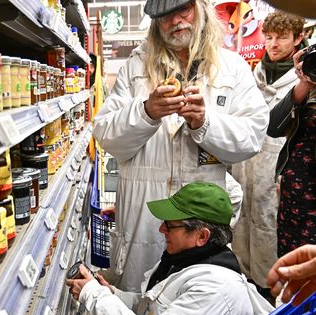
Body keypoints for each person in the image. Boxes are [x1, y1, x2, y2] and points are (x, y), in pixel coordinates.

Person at [91, 0, 269, 291]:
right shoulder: (135, 67)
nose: (176, 21)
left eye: (182, 10)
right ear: (155, 22)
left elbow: (252, 137)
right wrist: (146, 112)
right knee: (137, 302)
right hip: (143, 214)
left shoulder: (231, 68)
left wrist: (204, 123)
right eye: (165, 15)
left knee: (196, 306)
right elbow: (107, 136)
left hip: (200, 220)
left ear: (200, 8)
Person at [66, 182, 273, 315]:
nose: (161, 229)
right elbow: (155, 311)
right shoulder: (184, 261)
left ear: (201, 236)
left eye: (170, 225)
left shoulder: (216, 290)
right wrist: (113, 294)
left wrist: (93, 295)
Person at [231, 11, 306, 304]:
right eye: (270, 37)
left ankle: (268, 303)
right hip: (246, 170)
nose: (273, 45)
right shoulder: (253, 75)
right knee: (243, 234)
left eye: (282, 38)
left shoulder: (303, 80)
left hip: (277, 176)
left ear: (298, 38)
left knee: (269, 237)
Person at [267, 46, 316, 260]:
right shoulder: (308, 90)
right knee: (293, 259)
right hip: (296, 196)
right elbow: (273, 127)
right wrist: (304, 82)